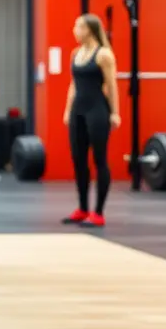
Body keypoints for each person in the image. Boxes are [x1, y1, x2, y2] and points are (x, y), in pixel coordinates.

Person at [62, 14, 121, 228]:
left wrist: (115, 113)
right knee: (78, 160)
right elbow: (73, 84)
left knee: (99, 160)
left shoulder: (103, 54)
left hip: (97, 111)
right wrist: (67, 110)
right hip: (78, 111)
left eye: (78, 27)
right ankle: (83, 208)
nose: (74, 30)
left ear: (89, 30)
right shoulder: (75, 53)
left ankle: (98, 213)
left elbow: (112, 85)